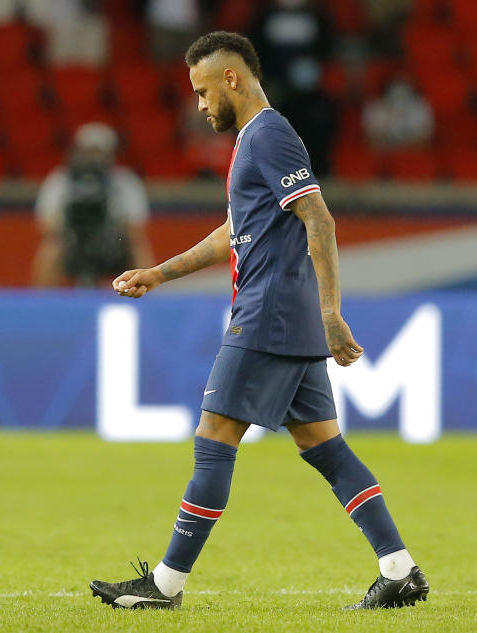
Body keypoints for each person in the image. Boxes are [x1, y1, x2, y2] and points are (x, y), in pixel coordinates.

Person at [89, 32, 428, 611]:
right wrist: (159, 272)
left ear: (231, 80)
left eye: (202, 91)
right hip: (286, 316)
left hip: (268, 313)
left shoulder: (268, 134)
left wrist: (332, 312)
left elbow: (319, 219)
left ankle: (165, 586)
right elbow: (234, 233)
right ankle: (398, 569)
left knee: (214, 438)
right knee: (325, 447)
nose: (198, 105)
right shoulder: (253, 141)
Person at [31, 123, 154, 287]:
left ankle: (148, 294)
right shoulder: (61, 179)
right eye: (89, 151)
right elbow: (46, 222)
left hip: (111, 245)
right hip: (73, 242)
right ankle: (42, 303)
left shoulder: (124, 181)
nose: (94, 157)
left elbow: (136, 226)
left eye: (99, 152)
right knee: (52, 246)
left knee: (137, 244)